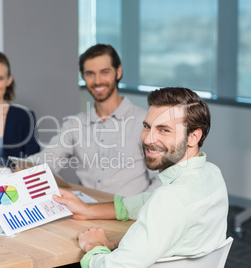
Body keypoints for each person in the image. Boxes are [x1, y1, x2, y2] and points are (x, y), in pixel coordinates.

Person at [53, 87, 229, 267]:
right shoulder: (211, 174)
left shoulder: (170, 199)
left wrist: (94, 245)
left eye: (164, 130)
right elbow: (149, 202)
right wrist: (87, 209)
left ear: (193, 137)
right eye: (147, 127)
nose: (147, 139)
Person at [29, 44, 157, 196]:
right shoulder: (75, 124)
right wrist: (14, 167)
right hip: (86, 212)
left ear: (118, 72)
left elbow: (161, 179)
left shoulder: (144, 123)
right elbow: (47, 159)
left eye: (105, 72)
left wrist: (136, 210)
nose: (97, 81)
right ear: (83, 76)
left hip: (130, 215)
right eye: (90, 74)